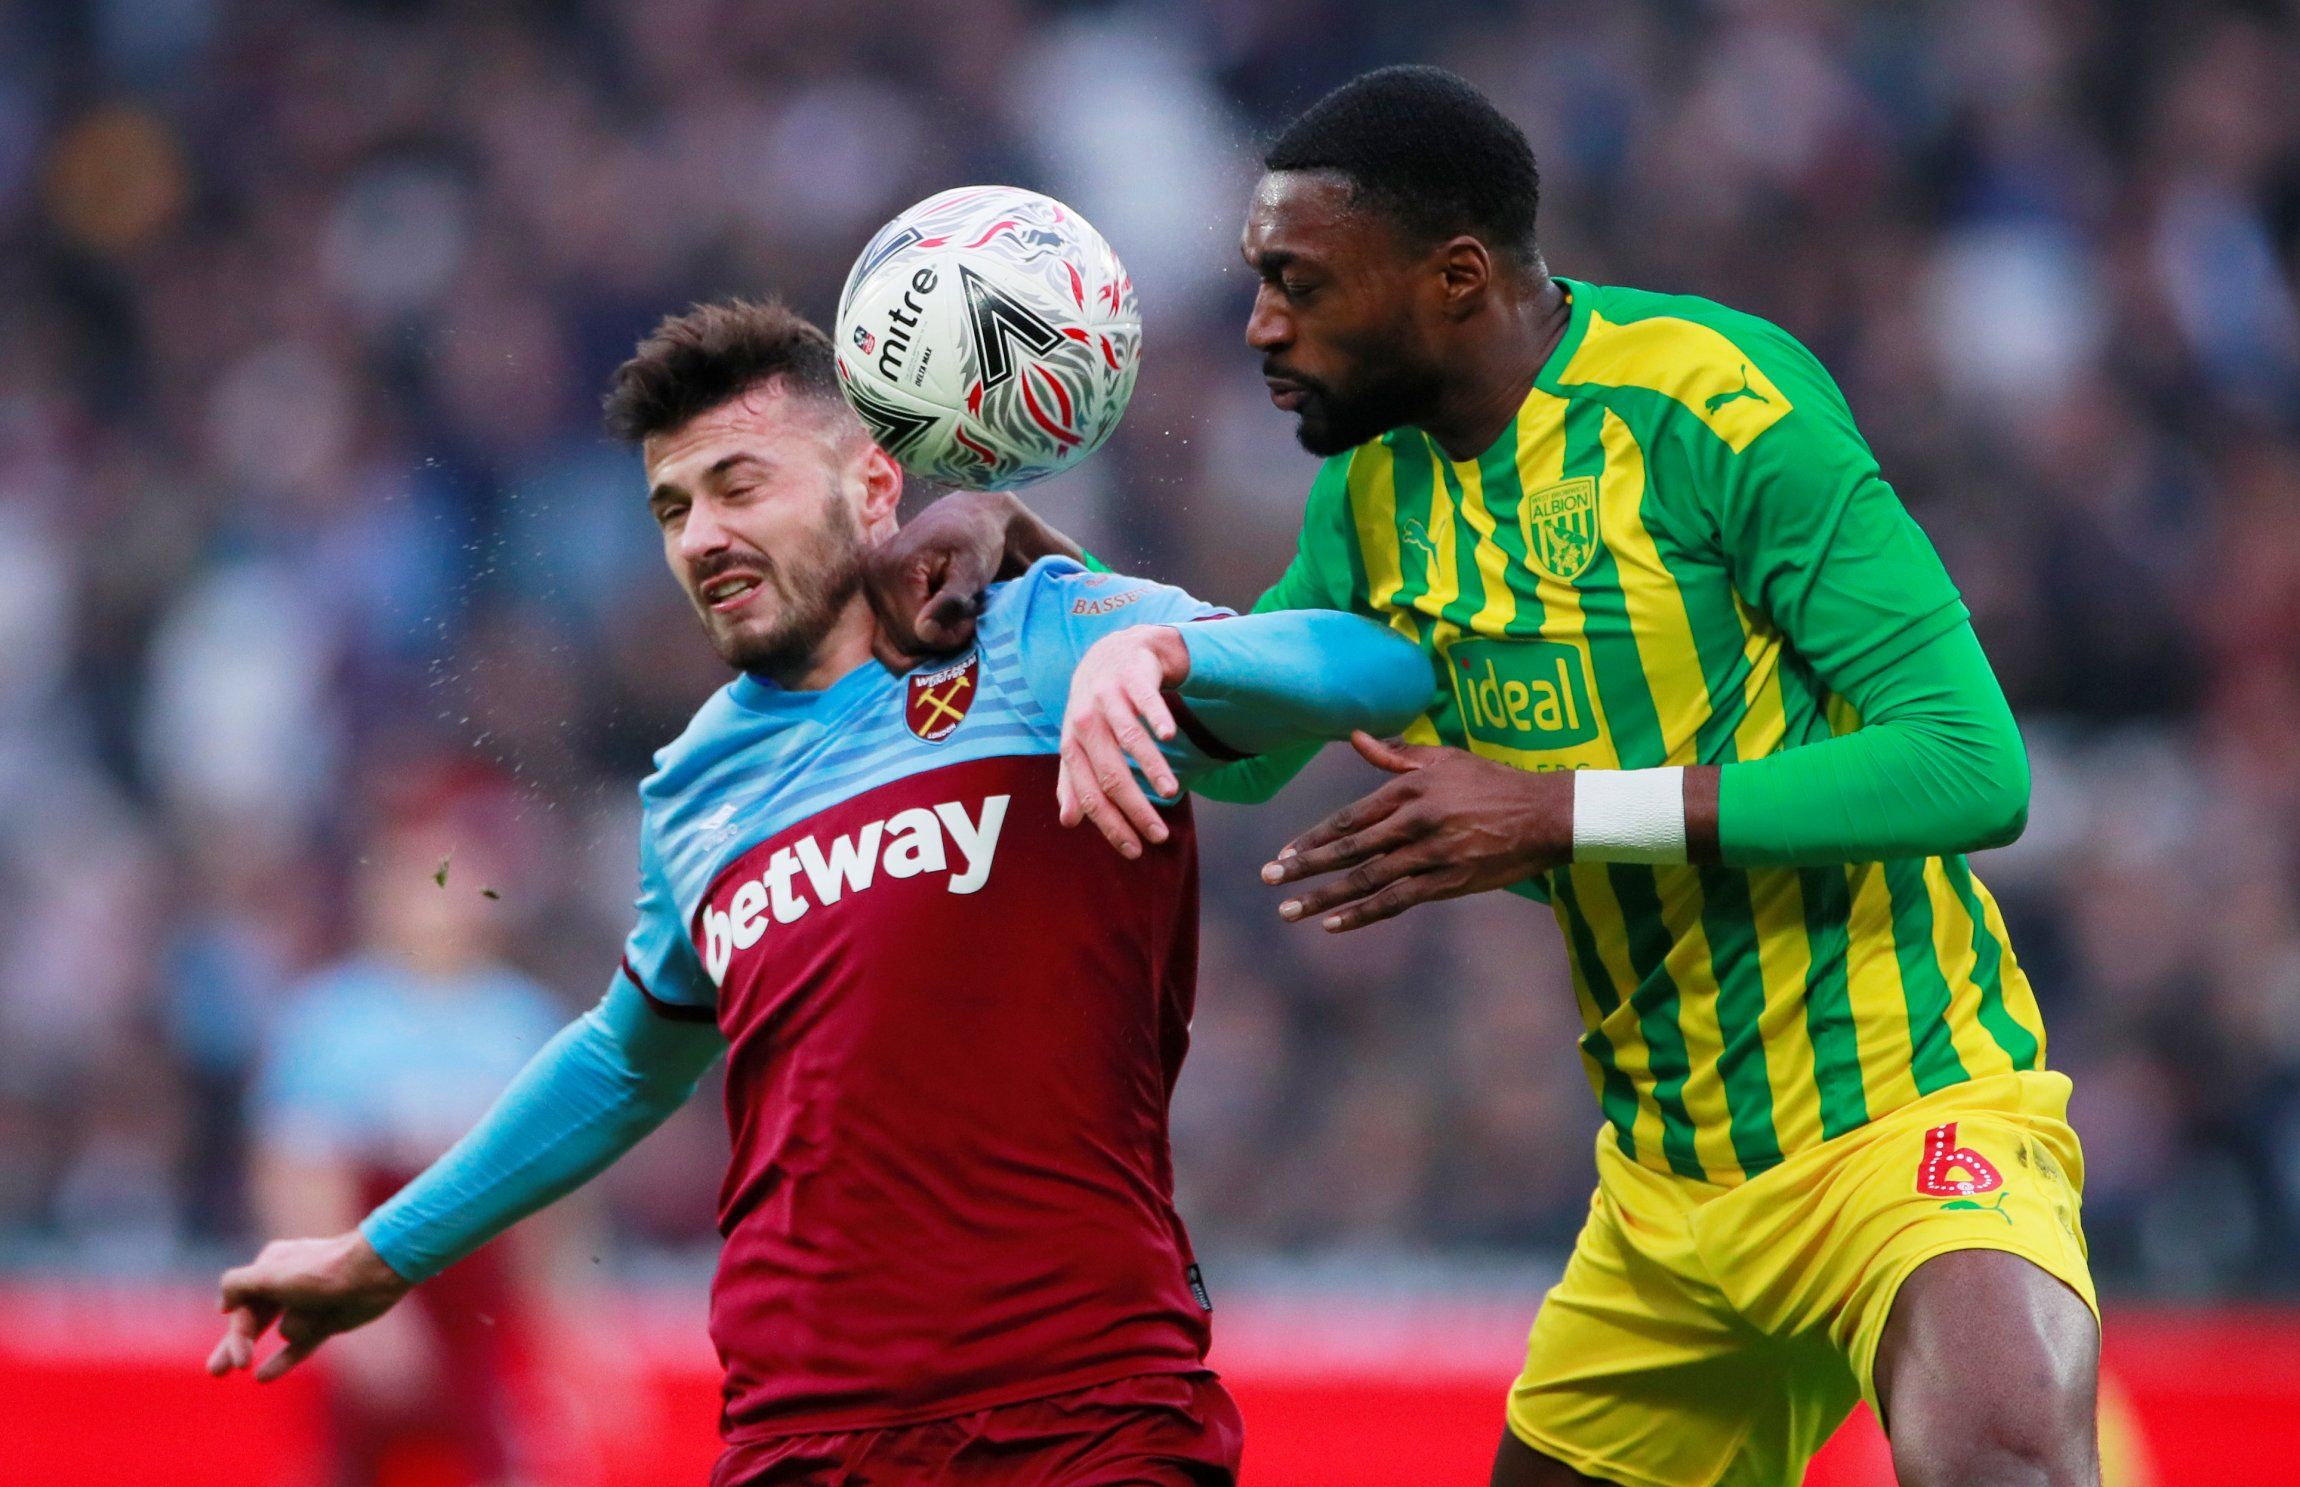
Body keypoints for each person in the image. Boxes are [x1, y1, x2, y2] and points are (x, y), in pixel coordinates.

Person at [870, 67, 2101, 1487]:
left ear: (1454, 277)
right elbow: (1251, 744)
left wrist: (1558, 812)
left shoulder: (1710, 402)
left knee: (1998, 1457)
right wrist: (1054, 583)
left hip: (1905, 1110)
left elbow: (1969, 764)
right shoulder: (1373, 489)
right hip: (1668, 1192)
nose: (1261, 324)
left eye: (1299, 283)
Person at [206, 297, 1434, 1487]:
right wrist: (378, 1255)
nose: (699, 535)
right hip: (800, 1435)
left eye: (739, 484)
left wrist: (1162, 648)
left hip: (1080, 1411)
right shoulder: (694, 784)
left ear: (873, 485)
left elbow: (1384, 668)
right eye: (672, 507)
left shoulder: (1040, 634)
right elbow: (626, 1061)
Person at [248, 782, 562, 1487]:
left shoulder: (522, 1022)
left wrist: (560, 1317)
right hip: (370, 1285)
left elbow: (553, 1198)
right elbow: (298, 1176)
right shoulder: (332, 1022)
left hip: (485, 1308)